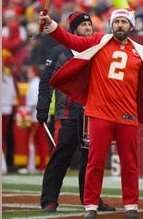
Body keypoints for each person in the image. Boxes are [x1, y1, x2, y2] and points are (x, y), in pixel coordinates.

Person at [39, 8, 143, 219]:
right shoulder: (98, 41)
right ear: (111, 24)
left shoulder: (141, 51)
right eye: (117, 21)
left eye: (124, 22)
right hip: (99, 112)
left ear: (131, 26)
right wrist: (51, 25)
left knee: (130, 163)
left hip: (127, 114)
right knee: (94, 161)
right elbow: (70, 40)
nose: (120, 25)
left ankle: (131, 206)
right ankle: (91, 206)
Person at [36, 11, 116, 213]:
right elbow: (46, 81)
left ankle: (91, 200)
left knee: (91, 159)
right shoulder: (59, 52)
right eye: (83, 25)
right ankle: (49, 200)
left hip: (92, 113)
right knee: (61, 156)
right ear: (73, 30)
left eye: (90, 25)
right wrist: (42, 107)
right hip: (67, 114)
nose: (88, 28)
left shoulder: (98, 50)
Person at [19, 65, 49, 174]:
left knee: (32, 141)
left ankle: (31, 166)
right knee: (41, 142)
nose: (27, 74)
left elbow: (33, 102)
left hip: (34, 117)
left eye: (29, 72)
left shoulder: (35, 84)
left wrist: (25, 111)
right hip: (37, 116)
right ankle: (41, 166)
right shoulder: (35, 83)